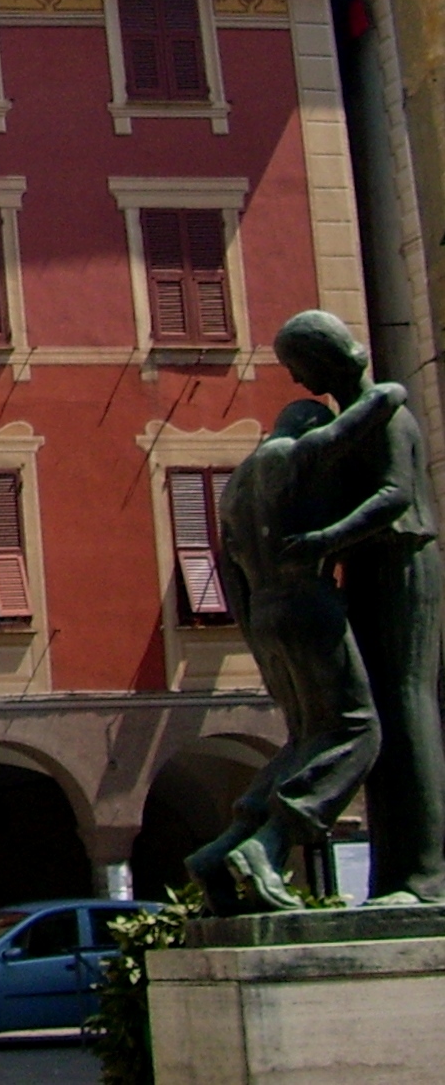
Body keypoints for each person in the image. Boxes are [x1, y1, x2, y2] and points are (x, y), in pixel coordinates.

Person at [185, 379, 398, 911]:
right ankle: (270, 843)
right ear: (306, 427)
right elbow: (346, 432)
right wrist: (385, 394)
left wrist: (256, 634)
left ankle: (224, 849)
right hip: (305, 601)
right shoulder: (287, 456)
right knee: (357, 727)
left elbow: (230, 574)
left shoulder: (234, 487)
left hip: (264, 611)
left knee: (305, 735)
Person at [271, 311, 445, 903]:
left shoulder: (386, 411)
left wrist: (324, 539)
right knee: (384, 725)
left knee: (407, 706)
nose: (296, 381)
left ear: (322, 359)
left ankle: (425, 877)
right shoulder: (356, 418)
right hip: (370, 564)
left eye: (297, 366)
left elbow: (395, 494)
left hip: (404, 561)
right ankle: (394, 874)